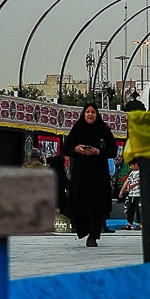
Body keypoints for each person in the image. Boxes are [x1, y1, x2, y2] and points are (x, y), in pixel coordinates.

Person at [65, 101, 116, 245]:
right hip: (81, 174)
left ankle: (93, 235)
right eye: (88, 112)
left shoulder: (103, 130)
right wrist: (77, 149)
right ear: (84, 114)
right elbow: (66, 148)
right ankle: (84, 230)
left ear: (97, 114)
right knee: (81, 203)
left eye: (93, 112)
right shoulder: (78, 129)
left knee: (97, 205)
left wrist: (98, 152)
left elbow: (113, 150)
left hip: (98, 174)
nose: (90, 114)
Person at [118, 162, 141, 229]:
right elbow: (127, 181)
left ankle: (139, 224)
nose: (130, 167)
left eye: (131, 165)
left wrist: (134, 185)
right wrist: (122, 191)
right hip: (131, 194)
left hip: (139, 194)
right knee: (130, 209)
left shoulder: (141, 172)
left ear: (136, 164)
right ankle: (129, 223)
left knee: (139, 210)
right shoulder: (131, 173)